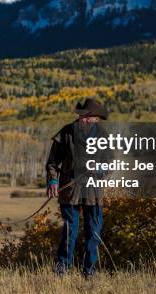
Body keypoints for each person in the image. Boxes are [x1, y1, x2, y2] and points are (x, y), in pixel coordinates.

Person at [45, 98, 108, 278]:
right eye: (82, 116)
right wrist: (52, 181)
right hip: (69, 190)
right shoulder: (66, 133)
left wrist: (99, 169)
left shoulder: (104, 136)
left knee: (93, 232)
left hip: (94, 191)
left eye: (88, 117)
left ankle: (89, 271)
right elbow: (52, 162)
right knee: (69, 230)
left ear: (96, 119)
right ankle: (62, 269)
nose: (84, 119)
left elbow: (111, 162)